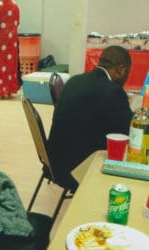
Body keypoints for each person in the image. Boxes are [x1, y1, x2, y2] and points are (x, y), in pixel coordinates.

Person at [47, 46, 132, 192]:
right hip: (75, 169)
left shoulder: (75, 81)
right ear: (121, 69)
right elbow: (129, 132)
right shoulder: (113, 92)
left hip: (53, 160)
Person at [0, 0, 20, 98]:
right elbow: (17, 23)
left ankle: (0, 91)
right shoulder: (15, 5)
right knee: (10, 65)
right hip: (12, 41)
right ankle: (9, 89)